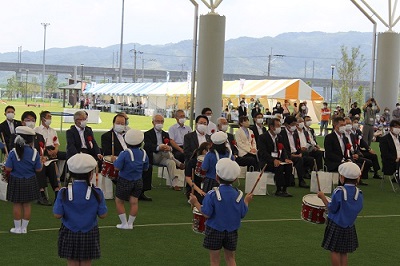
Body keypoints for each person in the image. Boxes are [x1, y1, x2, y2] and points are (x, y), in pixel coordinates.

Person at [189, 158, 253, 266]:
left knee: (214, 261)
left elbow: (206, 214)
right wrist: (246, 201)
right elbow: (242, 214)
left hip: (214, 230)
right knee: (231, 259)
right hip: (232, 231)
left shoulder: (212, 194)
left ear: (217, 177)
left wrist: (195, 202)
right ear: (235, 179)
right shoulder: (239, 195)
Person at [53, 153, 108, 265]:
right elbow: (103, 215)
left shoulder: (63, 192)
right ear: (91, 174)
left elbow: (57, 214)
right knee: (86, 261)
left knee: (71, 261)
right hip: (89, 231)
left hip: (69, 231)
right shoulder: (97, 192)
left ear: (71, 173)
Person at [318, 162, 363, 266]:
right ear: (357, 178)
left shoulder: (339, 191)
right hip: (349, 226)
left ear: (342, 177)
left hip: (336, 225)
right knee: (344, 252)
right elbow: (359, 208)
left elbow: (331, 209)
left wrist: (322, 197)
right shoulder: (359, 193)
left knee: (334, 250)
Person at [5, 126, 42, 234]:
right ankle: (24, 228)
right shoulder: (35, 152)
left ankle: (17, 228)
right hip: (30, 180)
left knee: (17, 204)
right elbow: (38, 169)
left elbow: (8, 168)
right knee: (27, 204)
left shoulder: (13, 152)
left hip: (16, 180)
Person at [113, 129, 149, 229]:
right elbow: (146, 168)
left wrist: (114, 160)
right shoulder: (144, 153)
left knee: (119, 201)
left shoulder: (124, 153)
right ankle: (130, 224)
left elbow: (117, 167)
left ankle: (124, 223)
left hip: (125, 180)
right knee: (134, 202)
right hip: (138, 181)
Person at [144, 114, 184, 192]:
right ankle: (178, 163)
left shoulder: (165, 134)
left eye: (162, 121)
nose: (160, 123)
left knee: (171, 162)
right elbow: (148, 146)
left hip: (165, 157)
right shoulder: (147, 134)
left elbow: (170, 146)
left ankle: (175, 184)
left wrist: (169, 148)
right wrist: (159, 147)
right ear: (153, 122)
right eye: (158, 121)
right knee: (162, 150)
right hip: (153, 156)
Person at [35, 111, 66, 204]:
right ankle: (43, 193)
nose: (50, 119)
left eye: (50, 117)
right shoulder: (37, 130)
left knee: (68, 155)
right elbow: (37, 145)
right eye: (48, 117)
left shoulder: (53, 130)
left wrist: (55, 150)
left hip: (53, 151)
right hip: (41, 151)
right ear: (43, 118)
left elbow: (56, 143)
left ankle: (59, 188)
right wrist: (46, 153)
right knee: (49, 165)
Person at [258, 118, 294, 197]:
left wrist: (286, 158)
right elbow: (263, 153)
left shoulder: (280, 137)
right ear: (271, 127)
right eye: (278, 126)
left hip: (278, 159)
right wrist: (273, 160)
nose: (279, 128)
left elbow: (283, 150)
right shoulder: (263, 137)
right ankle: (279, 189)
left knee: (288, 165)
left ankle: (285, 188)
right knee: (279, 166)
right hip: (267, 162)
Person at [279, 116, 312, 188]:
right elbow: (283, 148)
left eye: (295, 124)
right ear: (287, 125)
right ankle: (301, 180)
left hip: (296, 153)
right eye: (293, 124)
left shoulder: (295, 133)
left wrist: (299, 152)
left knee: (310, 159)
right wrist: (292, 155)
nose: (294, 126)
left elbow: (297, 146)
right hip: (287, 155)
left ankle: (307, 173)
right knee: (299, 160)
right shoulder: (282, 134)